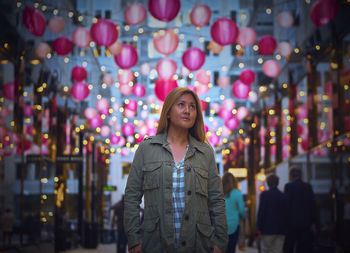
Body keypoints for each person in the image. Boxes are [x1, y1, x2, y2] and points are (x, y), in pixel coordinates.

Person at [124, 87, 228, 253]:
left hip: (199, 245)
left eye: (192, 106)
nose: (187, 110)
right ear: (168, 112)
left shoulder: (205, 152)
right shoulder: (147, 148)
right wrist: (134, 241)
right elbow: (131, 197)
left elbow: (216, 200)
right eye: (181, 104)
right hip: (155, 245)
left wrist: (220, 243)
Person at [283, 166, 317, 253]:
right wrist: (313, 222)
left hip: (291, 223)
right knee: (303, 247)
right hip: (305, 223)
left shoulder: (288, 186)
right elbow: (312, 205)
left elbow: (286, 205)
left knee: (289, 246)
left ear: (291, 175)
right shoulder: (307, 187)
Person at [257, 174, 287, 253]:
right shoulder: (283, 195)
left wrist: (259, 228)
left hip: (267, 229)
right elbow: (286, 213)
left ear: (267, 183)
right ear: (278, 183)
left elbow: (261, 212)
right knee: (278, 250)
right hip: (280, 230)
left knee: (265, 250)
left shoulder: (264, 195)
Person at [221, 172, 245, 253]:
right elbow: (242, 211)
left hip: (220, 226)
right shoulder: (237, 193)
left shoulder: (219, 193)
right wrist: (244, 217)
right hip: (234, 225)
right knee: (231, 249)